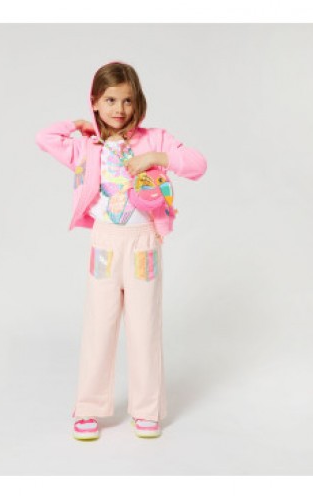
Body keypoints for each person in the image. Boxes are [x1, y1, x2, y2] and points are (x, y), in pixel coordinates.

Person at [35, 61, 207, 440]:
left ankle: (146, 409)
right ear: (95, 102)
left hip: (144, 243)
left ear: (138, 102)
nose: (119, 109)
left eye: (127, 100)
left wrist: (157, 158)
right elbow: (44, 137)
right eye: (110, 100)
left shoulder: (155, 139)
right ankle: (88, 407)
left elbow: (198, 165)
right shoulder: (86, 147)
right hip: (105, 243)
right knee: (99, 325)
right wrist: (77, 125)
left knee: (144, 326)